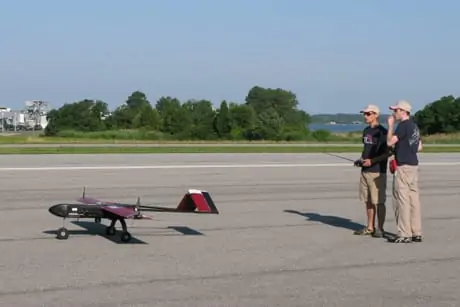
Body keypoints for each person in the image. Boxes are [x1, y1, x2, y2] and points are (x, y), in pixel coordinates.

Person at [386, 100, 423, 243]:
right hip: (413, 165)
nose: (394, 113)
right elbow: (419, 147)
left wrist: (390, 126)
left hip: (403, 166)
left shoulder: (402, 126)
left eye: (395, 111)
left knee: (401, 200)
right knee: (413, 199)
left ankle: (404, 233)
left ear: (402, 111)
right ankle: (416, 231)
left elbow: (390, 142)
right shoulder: (414, 126)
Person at [353, 104, 390, 238]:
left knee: (378, 201)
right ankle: (370, 227)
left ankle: (380, 228)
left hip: (377, 171)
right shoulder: (366, 130)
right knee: (368, 200)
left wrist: (372, 161)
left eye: (368, 114)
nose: (365, 116)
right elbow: (366, 149)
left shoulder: (382, 132)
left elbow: (387, 153)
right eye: (364, 114)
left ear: (376, 115)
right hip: (365, 170)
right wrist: (361, 160)